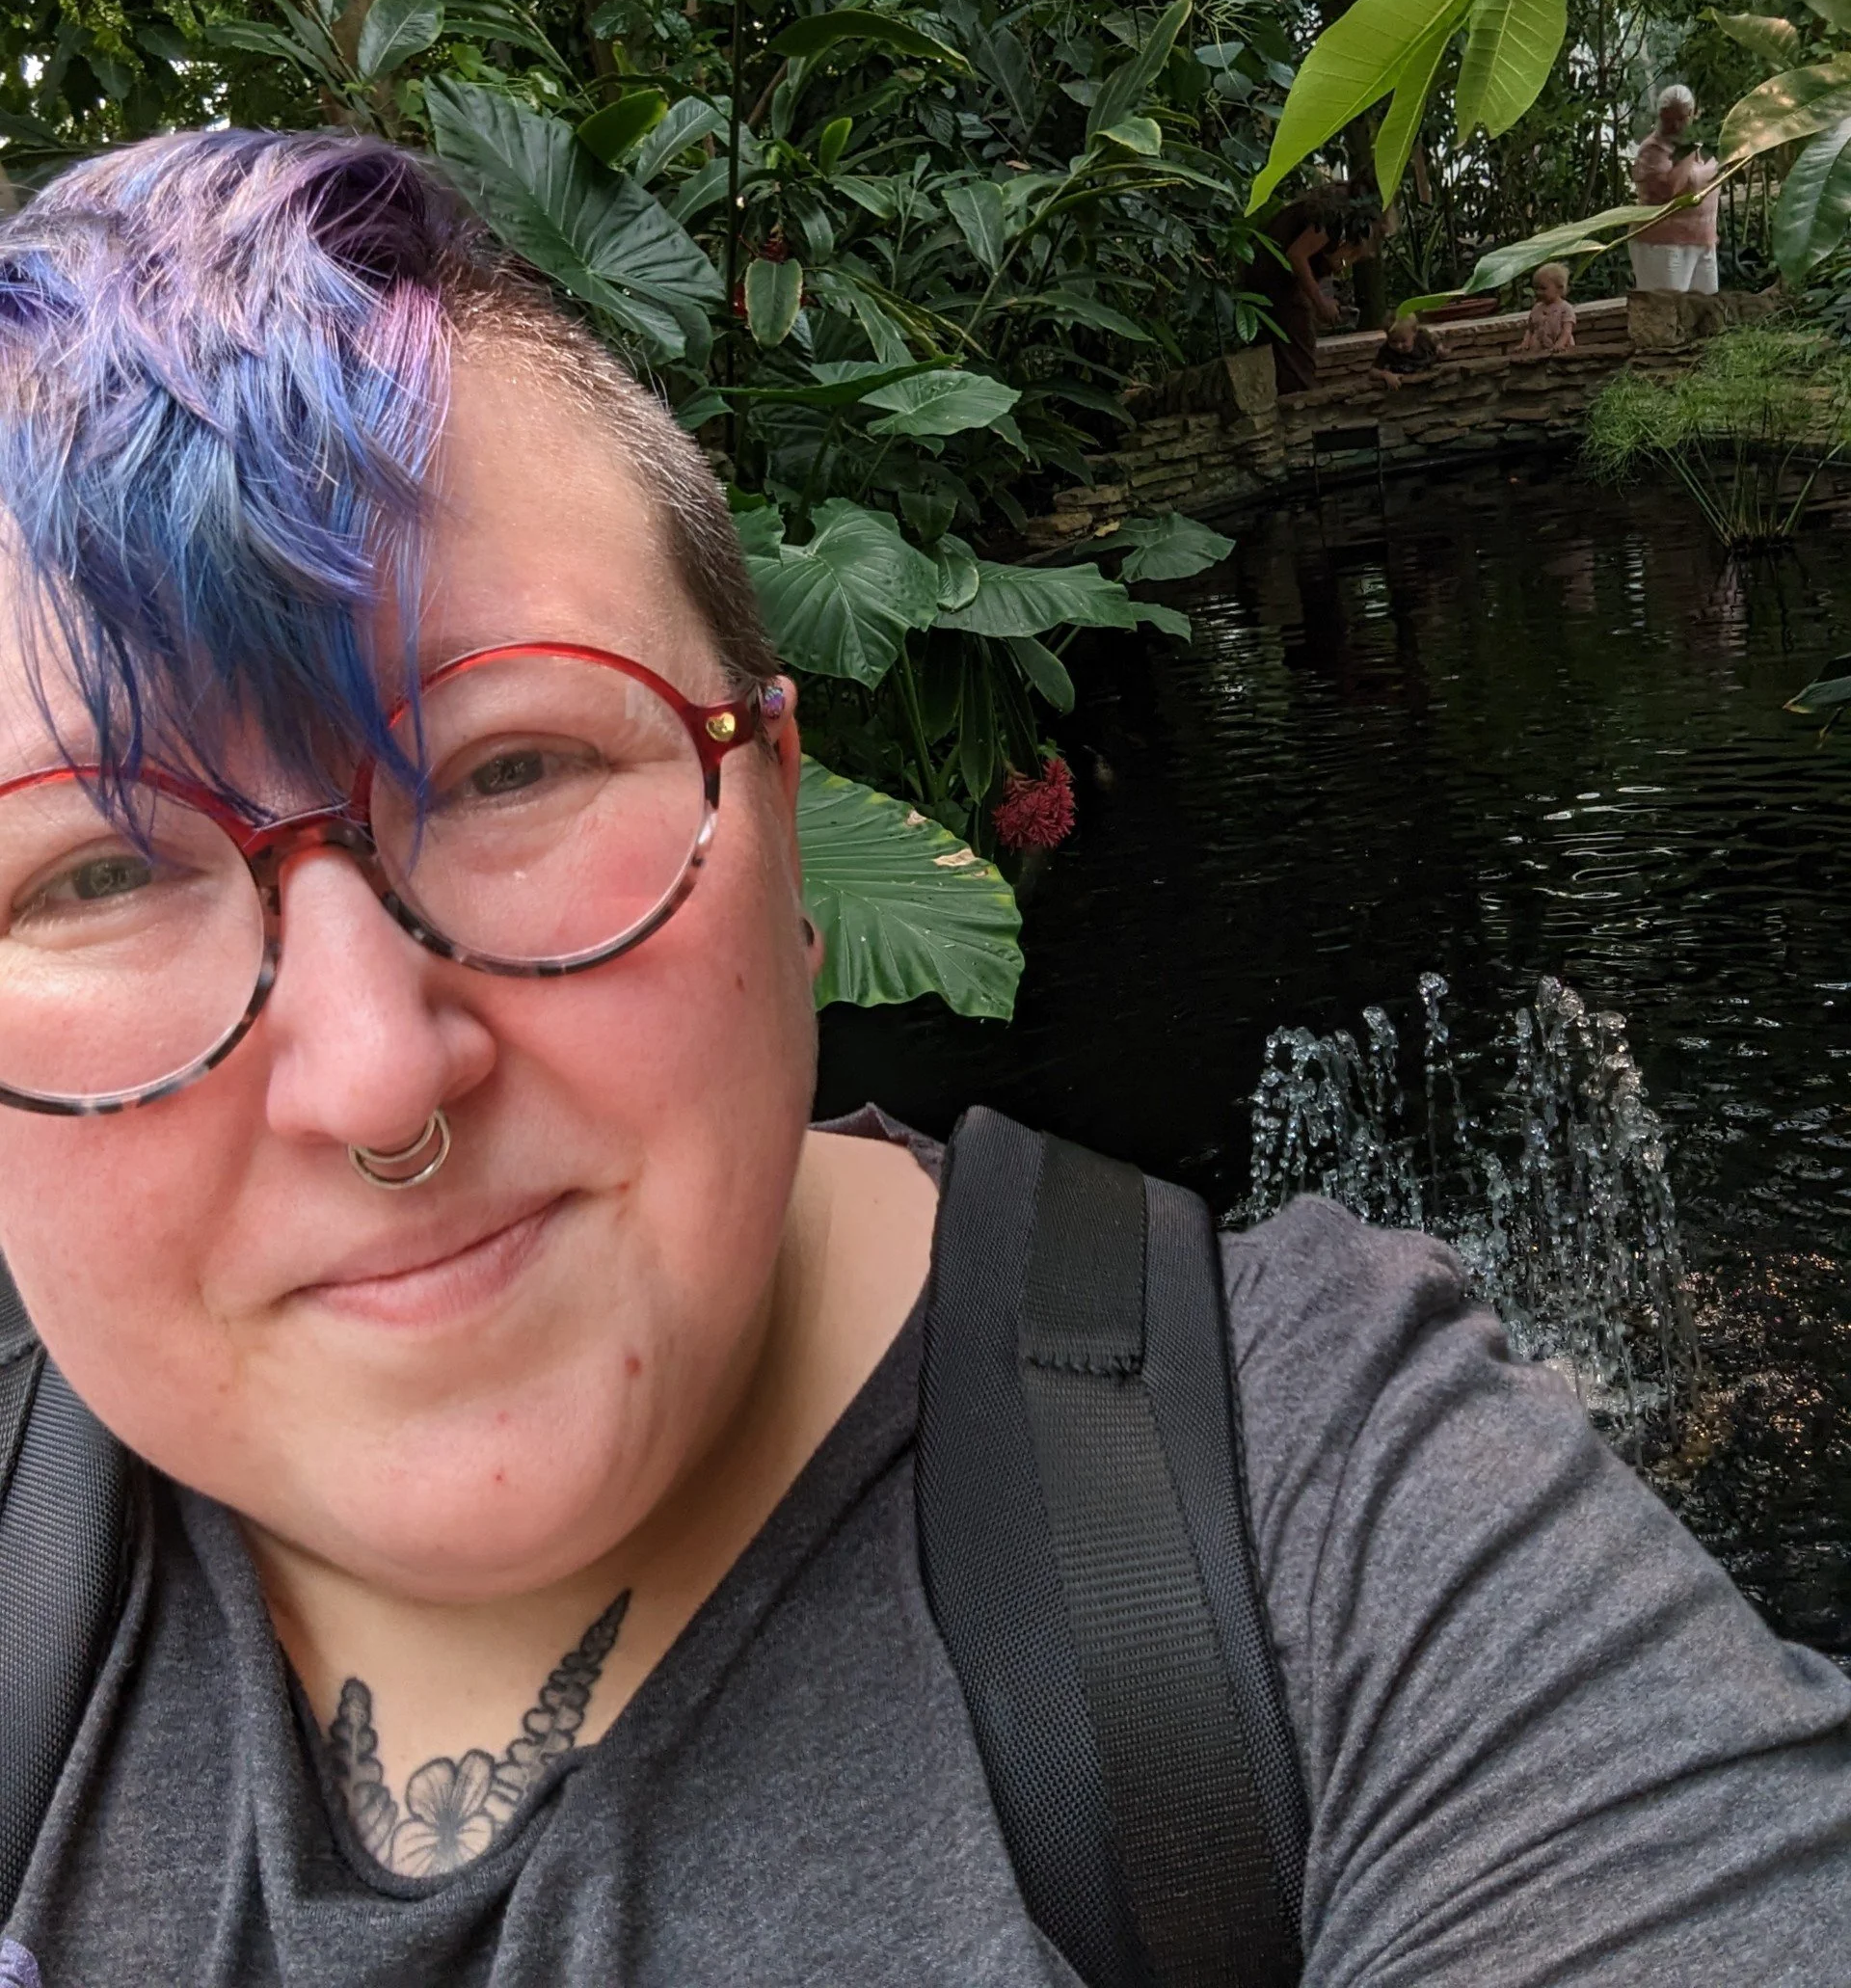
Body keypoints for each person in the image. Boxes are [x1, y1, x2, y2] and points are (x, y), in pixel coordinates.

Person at [0, 129, 1846, 1988]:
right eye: (94, 874)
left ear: (781, 816)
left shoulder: (1345, 1538)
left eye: (513, 769)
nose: (378, 1080)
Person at [1249, 184, 1378, 395]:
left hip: (1271, 281)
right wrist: (1321, 303)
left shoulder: (1331, 214)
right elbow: (1296, 255)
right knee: (1296, 355)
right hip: (1273, 283)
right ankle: (1299, 402)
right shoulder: (1332, 219)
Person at [1628, 84, 1722, 293]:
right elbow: (1670, 189)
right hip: (1664, 245)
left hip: (1703, 240)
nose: (1676, 126)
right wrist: (1687, 149)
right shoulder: (1652, 150)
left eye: (1681, 118)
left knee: (1706, 306)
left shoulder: (1704, 144)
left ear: (1692, 114)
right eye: (1668, 120)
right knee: (1668, 305)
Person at [1521, 261, 1577, 355]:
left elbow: (1567, 331)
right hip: (1538, 352)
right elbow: (1530, 330)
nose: (1538, 292)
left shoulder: (1565, 308)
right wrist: (1525, 343)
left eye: (1543, 288)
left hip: (1561, 350)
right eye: (1536, 288)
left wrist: (1560, 344)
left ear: (1559, 288)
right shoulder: (1536, 308)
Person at [1373, 309, 1438, 386]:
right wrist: (1385, 375)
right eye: (1393, 341)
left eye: (1403, 341)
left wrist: (1442, 352)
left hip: (1428, 381)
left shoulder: (1423, 339)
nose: (1399, 346)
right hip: (1404, 384)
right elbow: (1373, 372)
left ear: (1414, 333)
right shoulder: (1386, 350)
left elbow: (1437, 352)